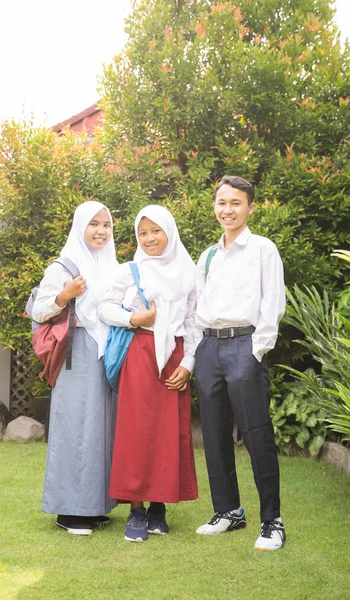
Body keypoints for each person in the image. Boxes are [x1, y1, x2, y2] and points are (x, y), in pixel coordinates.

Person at [194, 175, 286, 551]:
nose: (227, 210)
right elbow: (199, 305)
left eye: (235, 203)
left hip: (245, 346)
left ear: (250, 207)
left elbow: (273, 303)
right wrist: (200, 349)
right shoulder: (208, 255)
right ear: (214, 207)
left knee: (256, 434)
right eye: (221, 203)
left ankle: (272, 521)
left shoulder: (263, 249)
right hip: (210, 348)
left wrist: (256, 350)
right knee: (213, 435)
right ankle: (228, 511)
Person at [98, 205, 198, 542]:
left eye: (156, 230)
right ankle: (136, 511)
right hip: (139, 356)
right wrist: (133, 319)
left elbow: (195, 323)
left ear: (169, 231)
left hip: (174, 359)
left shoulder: (190, 271)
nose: (150, 238)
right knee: (135, 432)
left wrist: (189, 364)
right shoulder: (131, 270)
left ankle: (159, 507)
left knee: (170, 432)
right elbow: (104, 306)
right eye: (143, 232)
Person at [32, 200, 118, 535]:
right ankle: (70, 511)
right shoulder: (64, 266)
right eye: (94, 224)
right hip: (76, 351)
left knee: (101, 427)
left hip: (104, 350)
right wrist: (65, 294)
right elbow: (39, 310)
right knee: (76, 429)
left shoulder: (110, 264)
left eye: (107, 225)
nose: (101, 231)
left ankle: (94, 505)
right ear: (80, 227)